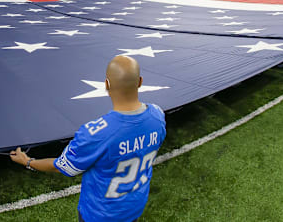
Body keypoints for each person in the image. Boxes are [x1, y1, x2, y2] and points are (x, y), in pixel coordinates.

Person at [9, 55, 166, 222]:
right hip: (134, 207)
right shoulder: (157, 115)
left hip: (99, 215)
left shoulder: (95, 134)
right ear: (140, 81)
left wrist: (27, 161)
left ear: (107, 85)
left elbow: (63, 167)